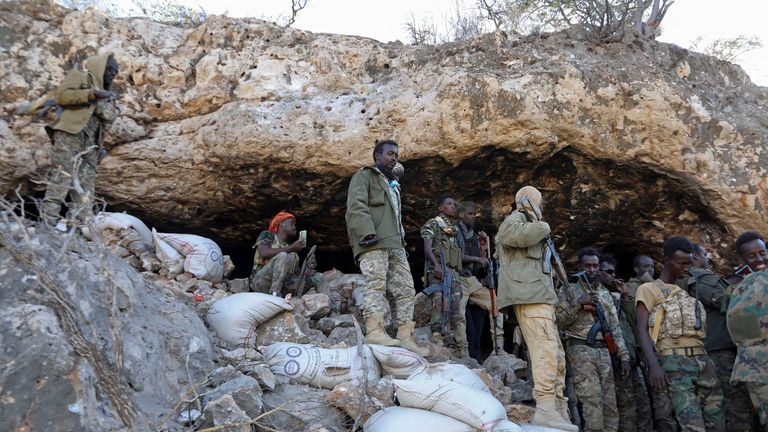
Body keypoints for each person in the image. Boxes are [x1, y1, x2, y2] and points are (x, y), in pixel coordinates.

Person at [495, 186, 577, 432]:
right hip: (529, 297)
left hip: (541, 298)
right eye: (538, 202)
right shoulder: (516, 219)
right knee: (544, 353)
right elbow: (509, 236)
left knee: (557, 357)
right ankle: (545, 409)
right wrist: (543, 226)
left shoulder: (531, 225)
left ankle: (558, 410)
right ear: (529, 202)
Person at [345, 140, 428, 356]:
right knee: (376, 283)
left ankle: (404, 335)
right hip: (373, 242)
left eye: (396, 155)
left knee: (406, 289)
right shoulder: (364, 176)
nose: (394, 158)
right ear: (377, 156)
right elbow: (356, 206)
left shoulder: (392, 183)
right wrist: (366, 232)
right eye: (390, 154)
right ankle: (374, 330)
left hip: (395, 244)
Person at [636, 236, 724, 432]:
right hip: (674, 361)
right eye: (681, 263)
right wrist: (654, 366)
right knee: (692, 425)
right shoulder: (648, 289)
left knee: (717, 423)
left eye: (689, 263)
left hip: (702, 361)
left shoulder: (685, 291)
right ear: (666, 261)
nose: (686, 268)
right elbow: (641, 329)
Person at [36, 53, 120, 226]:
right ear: (100, 66)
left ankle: (78, 230)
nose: (113, 74)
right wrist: (92, 94)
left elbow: (108, 119)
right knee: (61, 180)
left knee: (86, 190)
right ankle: (47, 226)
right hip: (70, 135)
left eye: (116, 71)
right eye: (110, 69)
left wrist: (100, 148)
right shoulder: (81, 76)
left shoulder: (109, 95)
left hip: (92, 144)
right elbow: (61, 96)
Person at [556, 247, 630, 432]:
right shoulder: (569, 291)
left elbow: (615, 327)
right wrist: (577, 304)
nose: (591, 269)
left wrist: (625, 356)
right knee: (592, 404)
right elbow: (558, 323)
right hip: (581, 350)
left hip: (604, 352)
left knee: (610, 405)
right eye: (587, 265)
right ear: (580, 267)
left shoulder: (605, 293)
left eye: (595, 266)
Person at [682, 243, 754, 431]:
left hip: (723, 348)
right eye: (705, 254)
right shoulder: (697, 279)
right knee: (736, 402)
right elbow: (723, 301)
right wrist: (740, 284)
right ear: (695, 257)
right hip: (719, 351)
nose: (709, 258)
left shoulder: (704, 278)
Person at [599, 255, 653, 432]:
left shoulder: (617, 295)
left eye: (613, 272)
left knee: (643, 404)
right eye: (607, 271)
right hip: (613, 357)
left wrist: (625, 296)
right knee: (626, 405)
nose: (612, 275)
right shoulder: (596, 296)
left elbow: (633, 321)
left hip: (631, 356)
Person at [628, 254, 677, 432]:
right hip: (647, 349)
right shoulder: (632, 288)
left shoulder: (658, 286)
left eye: (651, 267)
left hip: (666, 346)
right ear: (636, 269)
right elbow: (634, 318)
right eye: (645, 267)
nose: (649, 270)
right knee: (659, 398)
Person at [726, 231, 768, 430]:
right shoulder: (742, 288)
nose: (759, 258)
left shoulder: (739, 288)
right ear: (742, 259)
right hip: (760, 368)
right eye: (752, 256)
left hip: (753, 367)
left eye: (762, 252)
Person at [456, 201, 506, 359]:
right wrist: (478, 258)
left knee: (495, 306)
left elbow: (482, 264)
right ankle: (463, 352)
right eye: (470, 213)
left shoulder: (474, 235)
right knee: (460, 315)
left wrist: (483, 250)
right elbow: (456, 257)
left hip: (471, 279)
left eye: (474, 214)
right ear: (461, 214)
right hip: (459, 278)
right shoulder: (455, 232)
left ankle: (499, 347)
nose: (474, 217)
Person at [421, 194, 466, 357]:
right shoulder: (432, 224)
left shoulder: (454, 231)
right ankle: (436, 334)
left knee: (455, 307)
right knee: (439, 300)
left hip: (453, 274)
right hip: (438, 271)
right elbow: (427, 248)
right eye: (449, 204)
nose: (453, 206)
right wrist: (436, 265)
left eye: (454, 204)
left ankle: (452, 339)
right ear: (441, 208)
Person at [249, 211, 307, 295]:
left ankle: (330, 305)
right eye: (292, 223)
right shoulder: (268, 235)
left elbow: (295, 275)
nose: (294, 227)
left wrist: (307, 270)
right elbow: (264, 253)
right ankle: (275, 294)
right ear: (282, 224)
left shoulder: (290, 248)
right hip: (260, 282)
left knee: (315, 278)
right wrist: (290, 248)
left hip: (283, 285)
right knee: (283, 255)